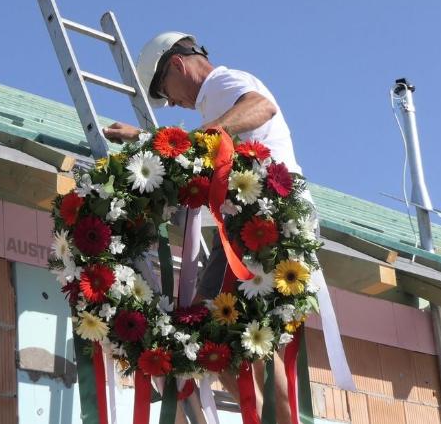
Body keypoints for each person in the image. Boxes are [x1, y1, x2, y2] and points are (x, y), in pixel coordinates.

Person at [104, 32, 301, 424]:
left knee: (222, 329)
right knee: (230, 334)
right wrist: (146, 140)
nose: (173, 102)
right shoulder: (217, 98)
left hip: (260, 221)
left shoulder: (223, 83)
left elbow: (261, 107)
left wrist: (212, 132)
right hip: (254, 221)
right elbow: (200, 147)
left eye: (166, 91)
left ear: (176, 64)